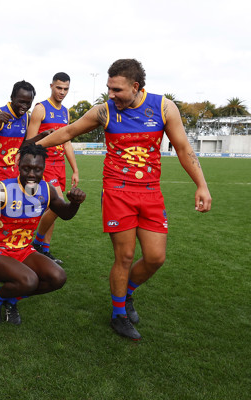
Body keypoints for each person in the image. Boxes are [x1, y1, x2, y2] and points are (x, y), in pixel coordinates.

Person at [36, 59, 212, 340]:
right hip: (117, 191)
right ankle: (118, 315)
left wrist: (201, 185)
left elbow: (182, 147)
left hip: (151, 192)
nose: (111, 95)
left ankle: (126, 293)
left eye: (117, 90)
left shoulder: (164, 108)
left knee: (155, 258)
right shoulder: (105, 112)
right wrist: (33, 146)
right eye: (109, 88)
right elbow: (69, 131)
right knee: (125, 256)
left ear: (136, 87)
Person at [0, 144, 85, 324]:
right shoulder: (1, 190)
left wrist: (75, 203)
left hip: (23, 250)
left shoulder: (46, 190)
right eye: (26, 168)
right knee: (29, 281)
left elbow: (65, 214)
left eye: (37, 169)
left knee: (58, 277)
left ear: (44, 168)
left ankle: (10, 299)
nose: (31, 174)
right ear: (18, 166)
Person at [26, 72, 79, 264]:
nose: (62, 92)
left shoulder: (65, 112)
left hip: (60, 166)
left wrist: (75, 169)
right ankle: (38, 242)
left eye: (66, 89)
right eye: (59, 88)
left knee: (50, 208)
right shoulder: (41, 109)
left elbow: (67, 143)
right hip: (44, 164)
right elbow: (30, 141)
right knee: (58, 205)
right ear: (51, 86)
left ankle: (44, 249)